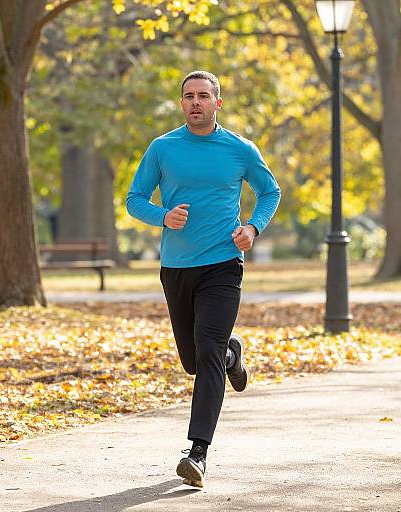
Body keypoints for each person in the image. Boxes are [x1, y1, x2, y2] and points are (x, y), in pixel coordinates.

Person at [126, 70, 280, 488]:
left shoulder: (239, 149)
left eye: (203, 96)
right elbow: (134, 198)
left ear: (217, 103)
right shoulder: (163, 148)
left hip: (222, 265)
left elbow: (270, 192)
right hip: (176, 267)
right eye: (188, 96)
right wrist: (162, 216)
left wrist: (252, 228)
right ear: (182, 104)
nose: (195, 102)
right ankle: (232, 356)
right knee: (195, 361)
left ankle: (197, 453)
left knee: (206, 352)